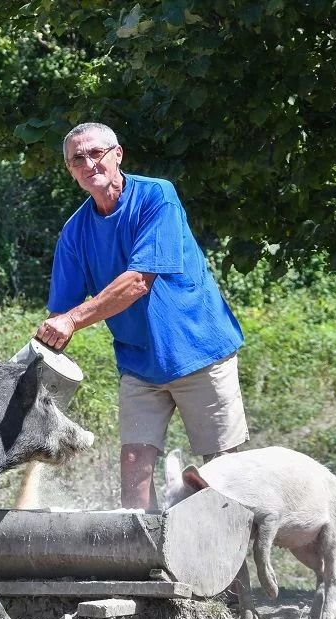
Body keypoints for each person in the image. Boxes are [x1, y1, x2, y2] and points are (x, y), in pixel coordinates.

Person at [34, 122, 248, 510]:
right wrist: (33, 369)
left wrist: (71, 321)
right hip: (139, 365)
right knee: (134, 474)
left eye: (96, 153)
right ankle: (146, 568)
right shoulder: (74, 231)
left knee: (222, 477)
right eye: (77, 159)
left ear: (118, 154)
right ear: (70, 171)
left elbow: (136, 282)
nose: (89, 164)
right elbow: (60, 315)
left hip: (200, 351)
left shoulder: (157, 196)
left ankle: (232, 572)